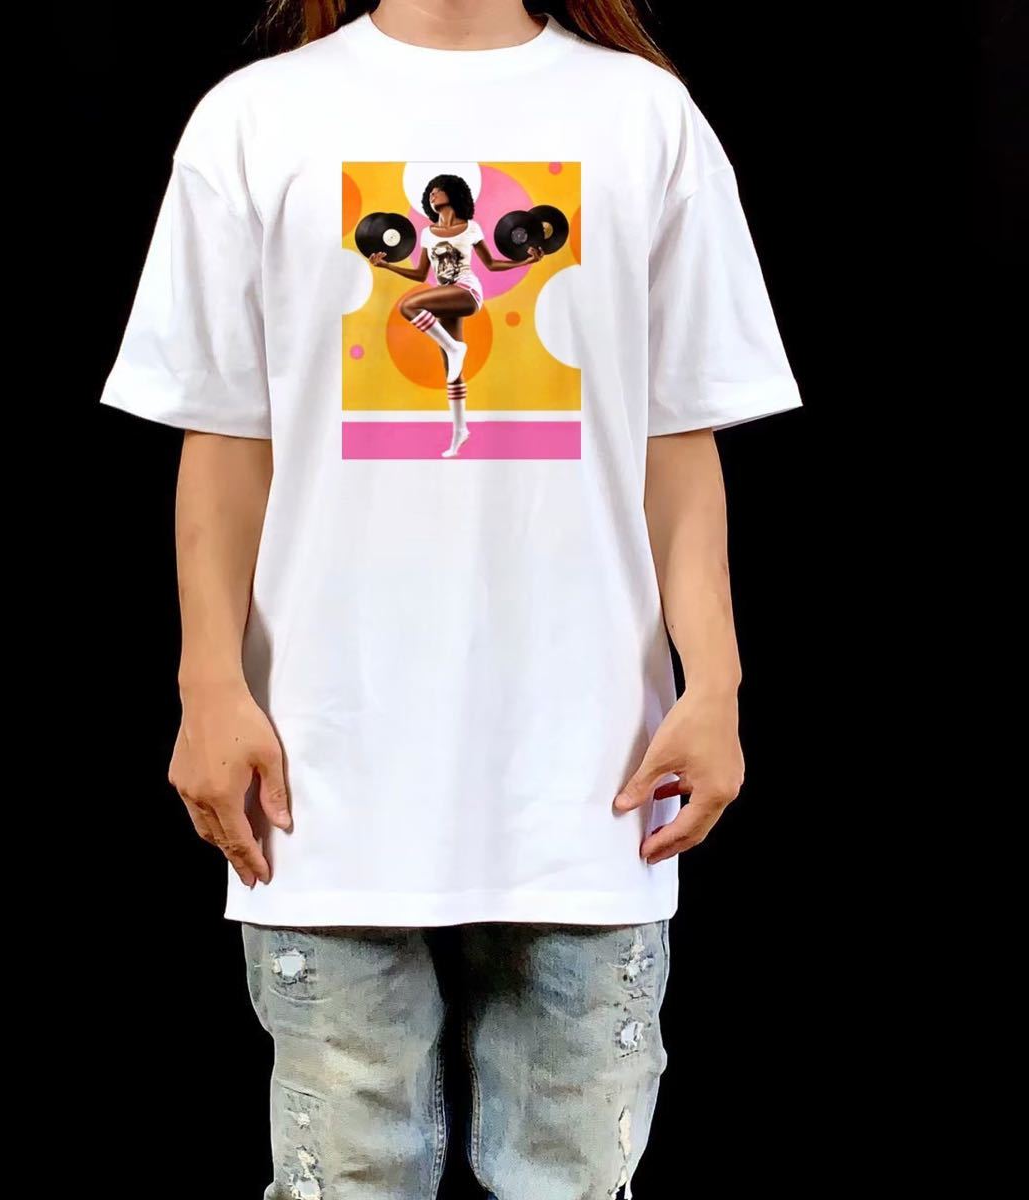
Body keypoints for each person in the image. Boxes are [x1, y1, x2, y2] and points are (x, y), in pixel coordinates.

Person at [99, 1, 804, 1196]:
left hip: (591, 777)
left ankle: (458, 389)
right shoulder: (256, 121)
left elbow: (677, 438)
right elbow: (224, 437)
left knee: (572, 1181)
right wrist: (207, 687)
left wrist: (718, 682)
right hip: (327, 775)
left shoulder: (645, 119)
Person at [370, 172, 544, 456]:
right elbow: (420, 274)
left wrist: (525, 261)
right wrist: (387, 266)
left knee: (408, 306)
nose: (432, 195)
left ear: (453, 193)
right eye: (430, 193)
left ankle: (454, 347)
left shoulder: (470, 228)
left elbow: (491, 264)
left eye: (437, 190)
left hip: (467, 291)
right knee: (451, 371)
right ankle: (460, 431)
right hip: (446, 296)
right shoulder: (428, 234)